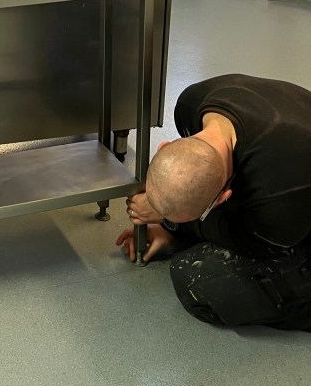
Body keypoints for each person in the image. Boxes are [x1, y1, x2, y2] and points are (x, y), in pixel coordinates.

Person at [116, 74, 311, 330]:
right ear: (165, 146)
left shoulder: (281, 191)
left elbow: (254, 242)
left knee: (200, 283)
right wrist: (169, 227)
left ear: (223, 197)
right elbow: (197, 178)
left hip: (292, 212)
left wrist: (174, 223)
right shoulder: (189, 106)